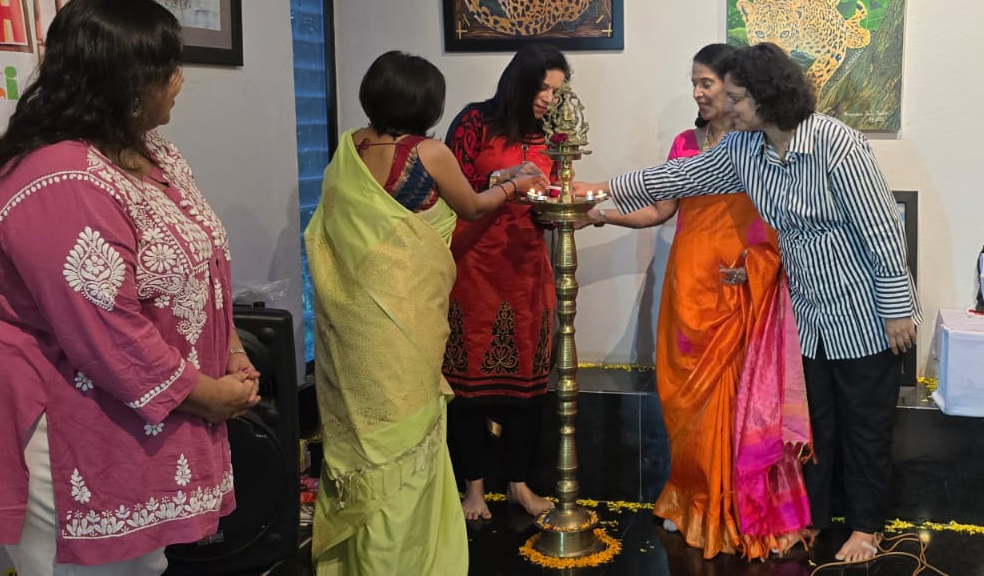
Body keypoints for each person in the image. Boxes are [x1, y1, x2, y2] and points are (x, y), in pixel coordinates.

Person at [0, 0, 258, 574]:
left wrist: (230, 348)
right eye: (167, 69)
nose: (180, 81)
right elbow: (105, 327)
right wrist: (208, 397)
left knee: (143, 568)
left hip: (134, 413)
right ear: (126, 84)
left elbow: (204, 261)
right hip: (62, 424)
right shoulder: (59, 179)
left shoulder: (153, 154)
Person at [575, 42, 918, 563]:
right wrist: (601, 190)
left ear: (767, 96)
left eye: (736, 97)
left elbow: (882, 229)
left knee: (865, 426)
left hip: (864, 311)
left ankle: (866, 529)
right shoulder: (744, 150)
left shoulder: (835, 143)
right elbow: (678, 177)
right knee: (813, 426)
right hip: (808, 315)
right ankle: (814, 520)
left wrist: (895, 309)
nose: (727, 106)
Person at [306, 51, 546, 574]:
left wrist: (499, 175)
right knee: (408, 428)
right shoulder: (428, 152)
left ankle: (361, 553)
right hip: (404, 323)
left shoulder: (350, 148)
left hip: (353, 322)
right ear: (426, 104)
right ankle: (404, 556)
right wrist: (514, 186)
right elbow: (472, 207)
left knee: (365, 432)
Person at [587, 44, 811, 559]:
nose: (698, 92)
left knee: (740, 402)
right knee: (683, 398)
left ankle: (735, 507)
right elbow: (658, 208)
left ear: (735, 89)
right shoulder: (686, 143)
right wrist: (599, 214)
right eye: (694, 83)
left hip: (742, 287)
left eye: (707, 83)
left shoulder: (758, 145)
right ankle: (692, 497)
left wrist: (758, 266)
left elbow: (785, 213)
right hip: (688, 285)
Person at [443, 43, 568, 520]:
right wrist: (504, 177)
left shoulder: (553, 133)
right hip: (472, 266)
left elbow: (556, 194)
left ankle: (519, 484)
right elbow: (448, 189)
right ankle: (473, 490)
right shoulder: (475, 122)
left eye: (556, 91)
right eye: (543, 88)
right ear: (520, 81)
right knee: (466, 388)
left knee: (529, 388)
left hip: (526, 269)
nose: (548, 99)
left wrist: (561, 206)